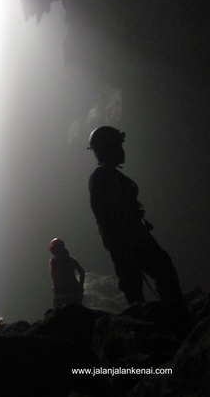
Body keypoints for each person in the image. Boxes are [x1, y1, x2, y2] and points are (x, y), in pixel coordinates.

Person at [88, 126, 183, 304]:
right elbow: (103, 213)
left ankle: (165, 317)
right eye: (118, 146)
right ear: (109, 148)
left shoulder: (111, 176)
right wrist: (122, 237)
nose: (121, 150)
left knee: (144, 278)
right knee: (146, 277)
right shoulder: (102, 176)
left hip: (130, 237)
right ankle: (172, 318)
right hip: (127, 239)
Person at [49, 238, 85, 308]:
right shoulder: (70, 259)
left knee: (59, 313)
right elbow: (81, 272)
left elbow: (54, 276)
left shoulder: (54, 261)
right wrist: (80, 286)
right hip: (74, 290)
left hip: (61, 291)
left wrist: (55, 287)